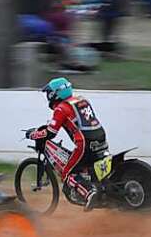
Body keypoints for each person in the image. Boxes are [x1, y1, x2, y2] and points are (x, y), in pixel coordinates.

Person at [27, 77, 108, 210]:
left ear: (55, 94)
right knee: (89, 166)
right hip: (100, 137)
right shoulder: (82, 100)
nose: (48, 97)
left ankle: (89, 193)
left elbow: (50, 133)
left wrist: (33, 134)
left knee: (68, 173)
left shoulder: (61, 109)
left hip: (84, 143)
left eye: (49, 93)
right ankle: (100, 188)